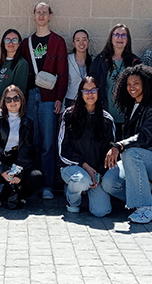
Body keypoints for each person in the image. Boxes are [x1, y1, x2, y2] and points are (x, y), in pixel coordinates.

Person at [100, 65, 152, 224]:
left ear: (145, 84)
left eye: (136, 83)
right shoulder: (132, 106)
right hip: (133, 160)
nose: (132, 88)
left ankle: (147, 207)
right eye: (128, 84)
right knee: (109, 182)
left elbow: (144, 137)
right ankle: (143, 196)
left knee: (130, 153)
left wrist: (119, 145)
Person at [21, 2, 68, 200]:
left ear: (50, 16)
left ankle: (48, 184)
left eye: (45, 12)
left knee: (48, 142)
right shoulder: (27, 43)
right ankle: (33, 183)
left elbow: (63, 72)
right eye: (38, 12)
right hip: (31, 96)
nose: (41, 15)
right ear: (34, 16)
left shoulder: (57, 41)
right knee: (33, 141)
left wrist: (59, 97)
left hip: (49, 97)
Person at [0, 85, 44, 208]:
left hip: (17, 159)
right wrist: (2, 169)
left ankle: (21, 196)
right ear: (4, 102)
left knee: (37, 176)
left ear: (21, 100)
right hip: (0, 158)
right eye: (8, 99)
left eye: (16, 98)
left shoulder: (28, 122)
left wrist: (18, 171)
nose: (12, 102)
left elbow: (27, 150)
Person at [58, 76, 116, 217]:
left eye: (93, 90)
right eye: (86, 91)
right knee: (81, 180)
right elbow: (63, 150)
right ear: (80, 93)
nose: (90, 94)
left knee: (101, 212)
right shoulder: (69, 115)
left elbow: (108, 152)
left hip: (97, 172)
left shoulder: (107, 119)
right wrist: (85, 166)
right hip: (74, 167)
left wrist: (99, 174)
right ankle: (73, 200)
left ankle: (88, 189)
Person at [90, 24, 141, 139]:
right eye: (116, 34)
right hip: (105, 115)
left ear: (128, 39)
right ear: (111, 38)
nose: (120, 38)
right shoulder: (100, 60)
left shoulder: (135, 62)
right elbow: (92, 85)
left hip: (127, 117)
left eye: (124, 35)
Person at [0, 29, 29, 110]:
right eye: (7, 40)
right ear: (3, 43)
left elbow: (19, 89)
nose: (11, 43)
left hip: (10, 109)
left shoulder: (21, 64)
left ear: (19, 43)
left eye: (14, 40)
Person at [65, 29, 91, 109]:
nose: (81, 43)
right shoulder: (67, 60)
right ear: (73, 43)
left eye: (84, 40)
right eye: (77, 40)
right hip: (70, 101)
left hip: (88, 101)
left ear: (88, 42)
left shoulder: (93, 61)